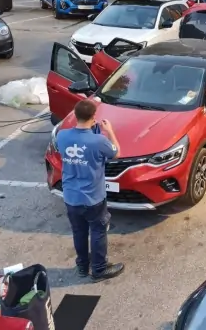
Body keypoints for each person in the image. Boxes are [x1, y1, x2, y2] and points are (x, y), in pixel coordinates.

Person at [56, 99, 125, 282]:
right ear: (93, 117)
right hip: (93, 197)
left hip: (71, 196)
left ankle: (82, 266)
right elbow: (116, 153)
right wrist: (109, 131)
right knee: (97, 231)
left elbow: (66, 146)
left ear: (75, 115)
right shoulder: (99, 140)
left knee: (79, 232)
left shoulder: (62, 136)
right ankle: (99, 269)